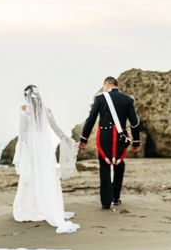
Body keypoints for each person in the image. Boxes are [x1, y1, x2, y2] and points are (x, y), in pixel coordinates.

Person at [12, 85, 80, 233]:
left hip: (31, 150)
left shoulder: (24, 109)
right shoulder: (46, 110)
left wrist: (20, 150)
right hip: (44, 151)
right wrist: (69, 141)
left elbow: (22, 133)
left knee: (31, 177)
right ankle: (47, 206)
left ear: (26, 96)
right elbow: (56, 129)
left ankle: (33, 207)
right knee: (45, 176)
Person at [78, 76, 141, 209]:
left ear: (107, 85)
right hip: (120, 137)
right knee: (119, 165)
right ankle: (116, 197)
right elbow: (134, 124)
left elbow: (90, 120)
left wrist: (84, 139)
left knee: (104, 166)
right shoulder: (127, 100)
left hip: (105, 137)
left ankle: (106, 202)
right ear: (116, 85)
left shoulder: (100, 99)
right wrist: (136, 143)